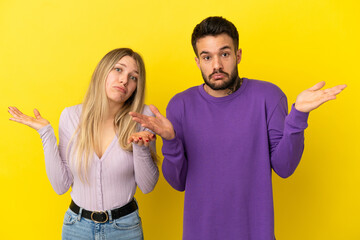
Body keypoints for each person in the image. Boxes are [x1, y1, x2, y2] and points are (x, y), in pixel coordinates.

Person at [129, 17, 346, 240]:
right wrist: (171, 139)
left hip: (255, 233)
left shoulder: (268, 97)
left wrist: (298, 115)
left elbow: (284, 167)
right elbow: (178, 182)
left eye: (224, 54)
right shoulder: (180, 105)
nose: (216, 66)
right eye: (207, 57)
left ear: (238, 55)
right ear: (197, 61)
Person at [8, 48, 159, 240]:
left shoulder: (143, 118)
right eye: (118, 70)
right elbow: (60, 186)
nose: (124, 80)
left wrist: (141, 148)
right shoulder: (71, 116)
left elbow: (147, 186)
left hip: (125, 229)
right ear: (102, 71)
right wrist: (46, 133)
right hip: (76, 227)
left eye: (134, 77)